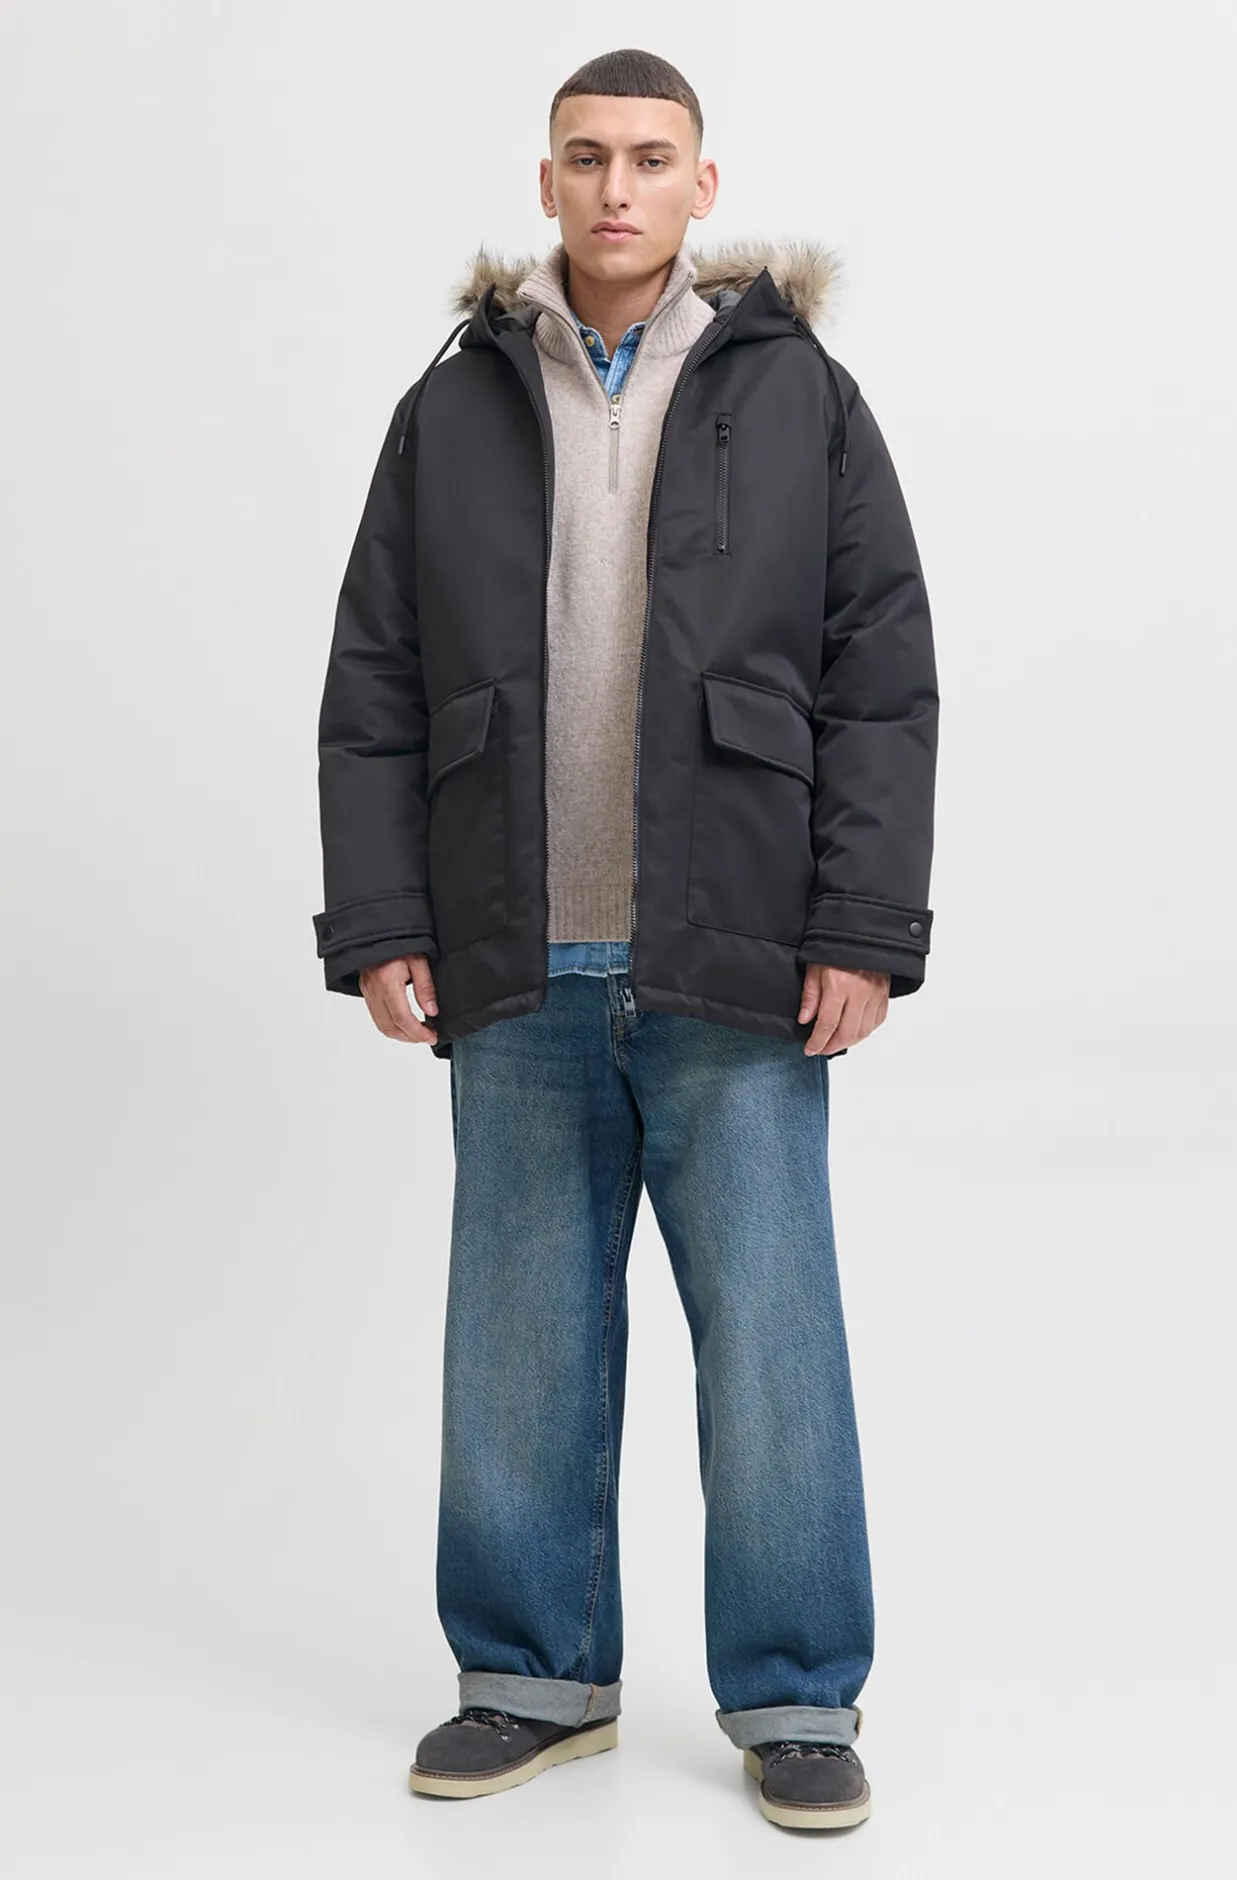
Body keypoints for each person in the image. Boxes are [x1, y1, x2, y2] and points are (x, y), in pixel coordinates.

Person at [311, 46, 939, 1833]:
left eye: (651, 159)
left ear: (701, 187)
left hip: (733, 953)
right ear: (546, 182)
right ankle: (530, 1678)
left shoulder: (800, 395)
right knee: (518, 1339)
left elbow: (881, 676)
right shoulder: (453, 406)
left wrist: (860, 927)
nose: (617, 188)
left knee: (775, 1343)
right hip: (515, 950)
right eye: (586, 157)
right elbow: (374, 680)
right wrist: (384, 919)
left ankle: (798, 1696)